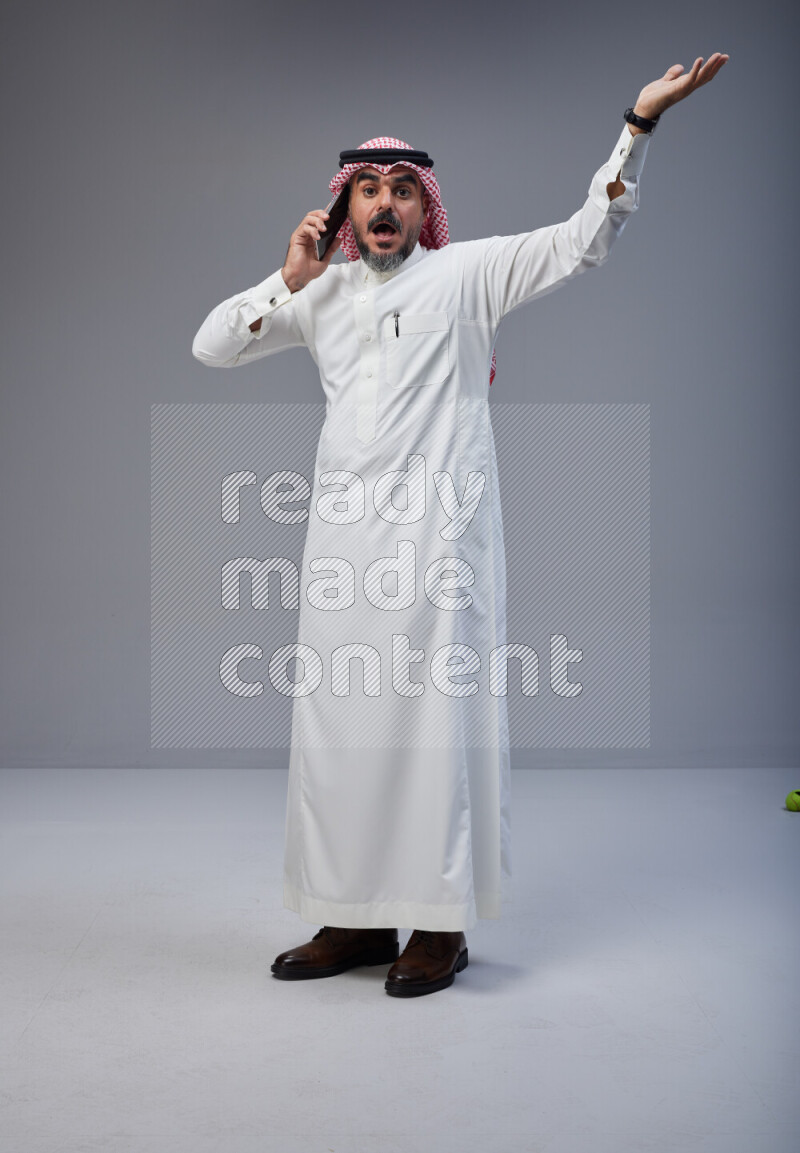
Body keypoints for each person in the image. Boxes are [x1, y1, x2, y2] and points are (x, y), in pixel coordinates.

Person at [192, 54, 728, 998]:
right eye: (368, 188)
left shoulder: (468, 275)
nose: (386, 203)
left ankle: (438, 927)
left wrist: (637, 127)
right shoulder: (318, 295)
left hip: (441, 551)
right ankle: (354, 916)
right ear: (344, 206)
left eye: (403, 187)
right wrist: (285, 280)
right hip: (341, 557)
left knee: (435, 731)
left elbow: (584, 239)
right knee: (340, 730)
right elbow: (211, 347)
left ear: (423, 202)